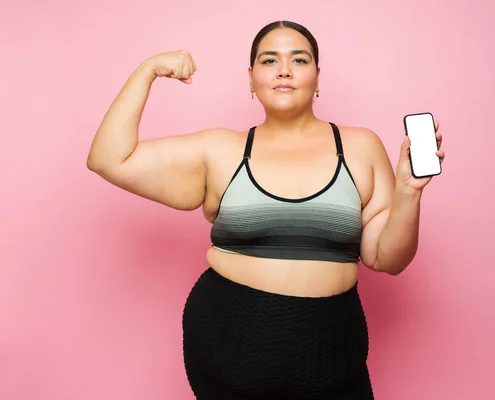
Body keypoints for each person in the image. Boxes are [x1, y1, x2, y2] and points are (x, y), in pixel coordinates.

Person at [86, 20, 444, 400]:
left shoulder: (360, 147)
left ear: (318, 76)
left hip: (333, 354)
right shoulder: (220, 151)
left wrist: (408, 193)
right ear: (251, 77)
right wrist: (148, 71)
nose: (284, 70)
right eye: (269, 60)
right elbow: (109, 159)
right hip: (229, 350)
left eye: (299, 60)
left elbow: (387, 258)